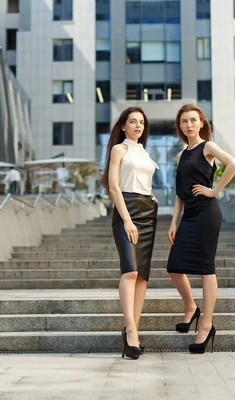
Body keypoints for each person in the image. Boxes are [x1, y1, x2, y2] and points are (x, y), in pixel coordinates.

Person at [166, 104, 235, 354]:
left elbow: (233, 164)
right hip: (189, 214)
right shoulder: (180, 156)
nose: (189, 125)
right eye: (184, 121)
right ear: (180, 126)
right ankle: (191, 308)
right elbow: (179, 194)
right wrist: (174, 221)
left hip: (207, 212)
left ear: (201, 123)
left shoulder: (207, 146)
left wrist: (215, 190)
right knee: (174, 267)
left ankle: (206, 325)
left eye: (193, 120)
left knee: (206, 270)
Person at [101, 107, 159, 360]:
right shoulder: (119, 149)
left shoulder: (144, 152)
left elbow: (145, 181)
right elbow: (114, 186)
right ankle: (131, 332)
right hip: (127, 210)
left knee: (143, 276)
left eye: (141, 123)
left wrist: (152, 197)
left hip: (148, 212)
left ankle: (132, 328)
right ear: (123, 126)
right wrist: (126, 219)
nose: (138, 126)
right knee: (130, 271)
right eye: (133, 122)